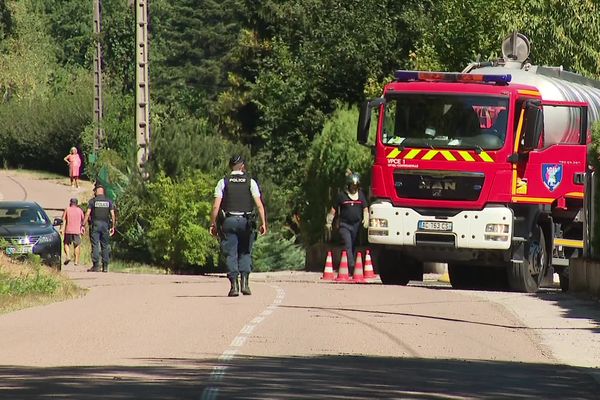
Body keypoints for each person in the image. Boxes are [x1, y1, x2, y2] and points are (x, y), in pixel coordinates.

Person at [209, 155, 267, 297]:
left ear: (230, 167)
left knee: (231, 254)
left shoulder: (223, 182)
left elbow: (216, 206)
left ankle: (234, 286)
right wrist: (263, 222)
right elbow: (259, 205)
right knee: (245, 252)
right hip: (246, 222)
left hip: (229, 221)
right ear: (242, 166)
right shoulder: (250, 182)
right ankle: (245, 283)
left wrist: (213, 223)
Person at [325, 172, 369, 272]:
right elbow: (333, 209)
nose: (354, 187)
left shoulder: (361, 195)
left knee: (353, 245)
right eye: (352, 185)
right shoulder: (342, 196)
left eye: (356, 185)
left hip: (356, 225)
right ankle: (352, 266)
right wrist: (329, 221)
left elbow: (365, 208)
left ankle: (349, 265)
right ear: (349, 185)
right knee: (348, 244)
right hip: (345, 225)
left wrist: (366, 218)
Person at [84, 185, 116, 272]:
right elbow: (113, 215)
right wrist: (113, 226)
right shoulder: (109, 201)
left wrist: (83, 224)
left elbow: (87, 213)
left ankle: (96, 266)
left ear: (97, 191)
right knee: (105, 246)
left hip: (96, 225)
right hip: (105, 225)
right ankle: (105, 266)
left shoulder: (92, 201)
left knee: (95, 245)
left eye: (94, 191)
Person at [60, 198, 85, 266]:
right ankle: (76, 261)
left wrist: (61, 228)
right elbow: (83, 220)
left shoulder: (67, 209)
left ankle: (68, 256)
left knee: (66, 243)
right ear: (77, 203)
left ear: (70, 203)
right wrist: (82, 227)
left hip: (68, 230)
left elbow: (63, 219)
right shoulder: (80, 210)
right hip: (77, 231)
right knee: (76, 245)